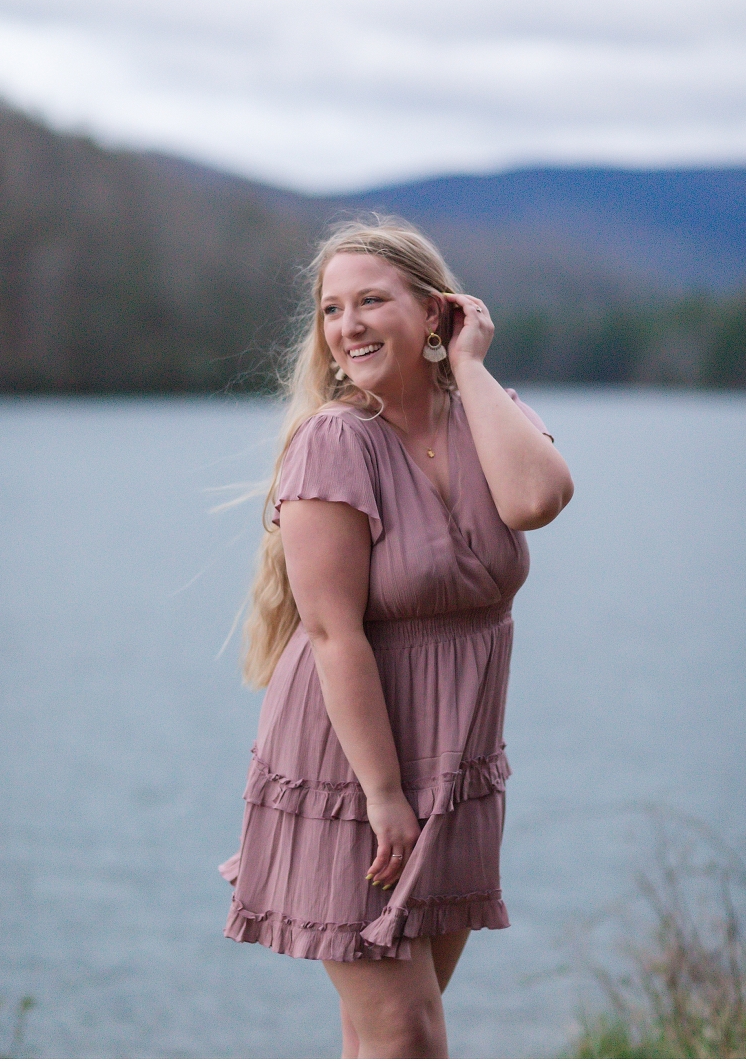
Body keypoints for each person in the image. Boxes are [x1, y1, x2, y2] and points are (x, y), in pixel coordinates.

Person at [219, 216, 574, 1059]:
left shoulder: (486, 415)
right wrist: (383, 795)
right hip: (352, 763)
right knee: (407, 1034)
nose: (348, 325)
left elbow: (537, 500)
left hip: (456, 760)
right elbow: (333, 631)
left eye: (372, 300)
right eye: (332, 309)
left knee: (379, 1034)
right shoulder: (335, 442)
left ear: (435, 310)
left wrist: (472, 368)